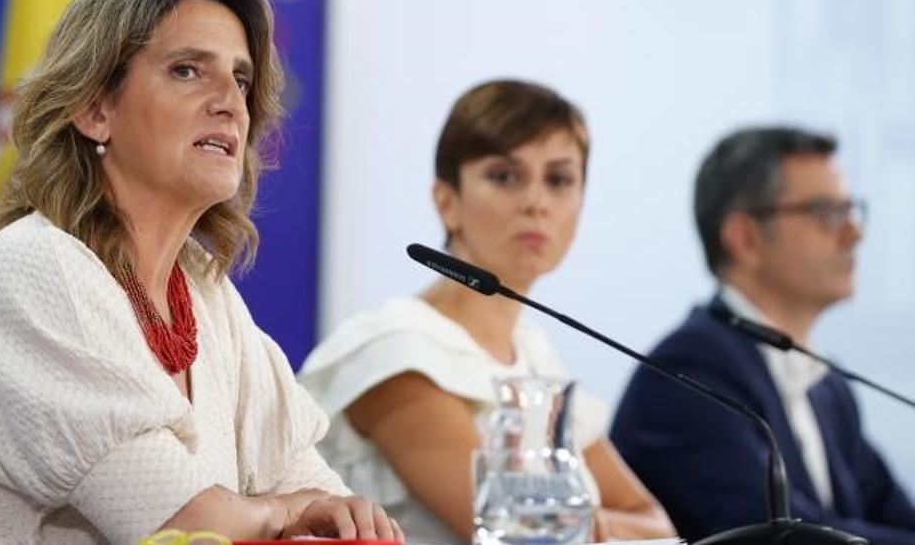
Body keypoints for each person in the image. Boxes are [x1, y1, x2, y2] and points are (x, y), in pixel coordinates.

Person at [0, 0, 400, 543]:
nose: (229, 101)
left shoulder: (207, 295)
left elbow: (327, 504)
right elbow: (179, 523)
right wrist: (284, 512)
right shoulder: (29, 272)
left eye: (241, 80)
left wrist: (310, 513)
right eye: (187, 71)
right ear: (96, 109)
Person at [300, 79, 674, 543]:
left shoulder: (534, 355)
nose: (536, 202)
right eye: (505, 176)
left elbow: (655, 521)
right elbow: (518, 534)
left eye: (559, 180)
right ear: (447, 202)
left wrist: (584, 524)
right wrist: (592, 524)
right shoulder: (394, 353)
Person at [611, 126, 915, 544]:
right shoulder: (687, 374)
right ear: (746, 238)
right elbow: (785, 539)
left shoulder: (829, 385)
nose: (855, 234)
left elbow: (896, 516)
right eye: (827, 213)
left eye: (851, 210)